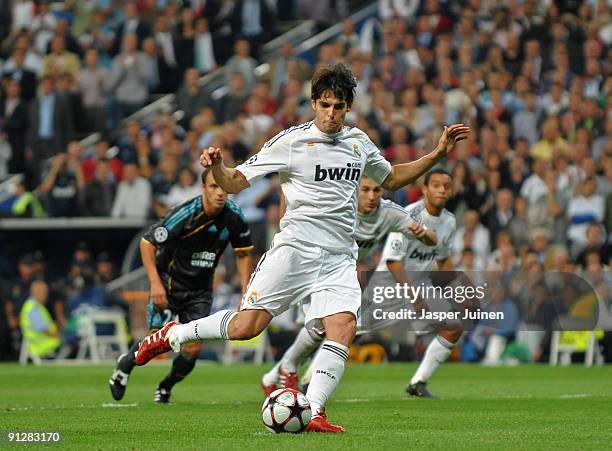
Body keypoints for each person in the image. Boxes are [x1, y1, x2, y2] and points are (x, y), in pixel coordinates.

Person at [134, 63, 469, 432]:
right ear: (313, 103)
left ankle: (314, 410)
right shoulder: (291, 141)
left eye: (338, 106)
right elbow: (233, 182)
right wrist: (216, 168)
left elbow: (390, 178)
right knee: (248, 326)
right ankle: (172, 335)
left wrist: (438, 152)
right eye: (324, 105)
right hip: (295, 250)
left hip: (340, 256)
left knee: (342, 326)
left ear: (347, 108)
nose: (331, 113)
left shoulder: (358, 142)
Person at [260, 175, 437, 394]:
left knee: (321, 329)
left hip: (338, 273)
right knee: (323, 327)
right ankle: (295, 373)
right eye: (365, 190)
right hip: (312, 263)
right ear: (355, 189)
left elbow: (430, 237)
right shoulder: (339, 204)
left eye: (376, 190)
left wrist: (425, 236)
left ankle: (276, 376)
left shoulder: (389, 213)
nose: (371, 196)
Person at [109, 169, 253, 403]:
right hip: (169, 284)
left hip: (200, 290)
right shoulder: (185, 214)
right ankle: (124, 364)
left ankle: (165, 386)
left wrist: (246, 291)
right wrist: (155, 283)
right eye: (213, 187)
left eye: (223, 187)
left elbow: (244, 253)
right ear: (203, 189)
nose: (219, 192)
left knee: (193, 349)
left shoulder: (234, 217)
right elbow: (147, 243)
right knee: (156, 341)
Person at [378, 169, 459, 398]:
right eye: (436, 185)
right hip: (388, 284)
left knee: (453, 328)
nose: (442, 189)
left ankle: (418, 383)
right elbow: (393, 262)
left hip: (420, 287)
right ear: (424, 189)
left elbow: (443, 260)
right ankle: (308, 379)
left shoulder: (449, 221)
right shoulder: (408, 215)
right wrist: (413, 297)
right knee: (344, 331)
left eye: (446, 185)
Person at [19, 280, 61, 359]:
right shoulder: (33, 308)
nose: (46, 295)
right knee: (70, 341)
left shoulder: (34, 305)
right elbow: (41, 328)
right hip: (43, 343)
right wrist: (57, 336)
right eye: (44, 292)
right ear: (36, 292)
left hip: (42, 341)